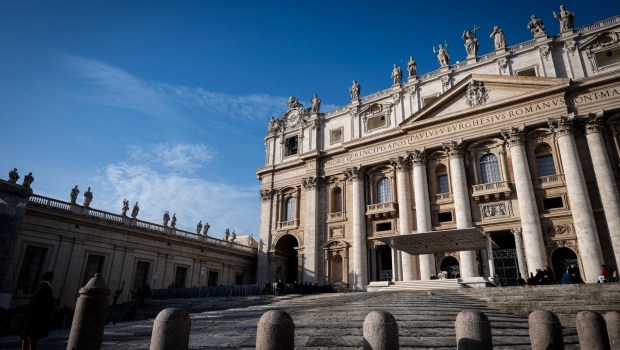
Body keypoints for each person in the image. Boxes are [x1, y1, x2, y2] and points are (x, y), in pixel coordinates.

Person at [21, 271, 55, 350]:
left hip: (31, 317)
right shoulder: (47, 289)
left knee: (28, 336)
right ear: (50, 278)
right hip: (38, 317)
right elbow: (45, 304)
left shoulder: (39, 287)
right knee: (34, 338)